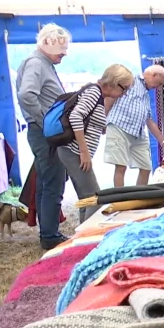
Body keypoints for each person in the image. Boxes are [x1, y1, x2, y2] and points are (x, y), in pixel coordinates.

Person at [15, 23, 72, 250]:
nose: (64, 54)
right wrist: (45, 123)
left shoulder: (41, 62)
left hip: (43, 132)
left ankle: (47, 231)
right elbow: (26, 95)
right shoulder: (37, 63)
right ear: (48, 43)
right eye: (62, 49)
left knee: (46, 182)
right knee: (53, 182)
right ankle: (49, 235)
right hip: (44, 133)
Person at [57, 64, 134, 223]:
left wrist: (102, 127)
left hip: (74, 152)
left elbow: (86, 118)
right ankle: (88, 237)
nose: (124, 94)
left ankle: (83, 235)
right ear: (114, 83)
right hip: (75, 152)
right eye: (124, 89)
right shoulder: (94, 92)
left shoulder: (98, 95)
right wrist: (84, 152)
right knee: (95, 198)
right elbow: (76, 117)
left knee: (86, 198)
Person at [103, 64, 164, 187]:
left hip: (137, 132)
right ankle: (120, 201)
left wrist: (163, 142)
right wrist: (103, 121)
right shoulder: (130, 81)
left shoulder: (146, 94)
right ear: (154, 75)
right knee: (121, 167)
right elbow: (109, 98)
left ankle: (139, 197)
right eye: (158, 83)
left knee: (146, 167)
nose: (157, 88)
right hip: (119, 127)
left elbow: (149, 121)